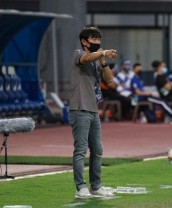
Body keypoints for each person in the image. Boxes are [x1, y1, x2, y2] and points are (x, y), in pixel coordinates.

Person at [69, 26, 117, 198]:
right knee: (80, 150)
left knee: (97, 150)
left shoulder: (98, 60)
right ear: (84, 41)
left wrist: (103, 60)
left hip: (93, 110)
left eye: (98, 40)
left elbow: (110, 82)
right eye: (93, 39)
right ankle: (80, 187)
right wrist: (103, 53)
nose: (97, 42)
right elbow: (87, 57)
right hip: (79, 109)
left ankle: (96, 187)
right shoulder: (78, 54)